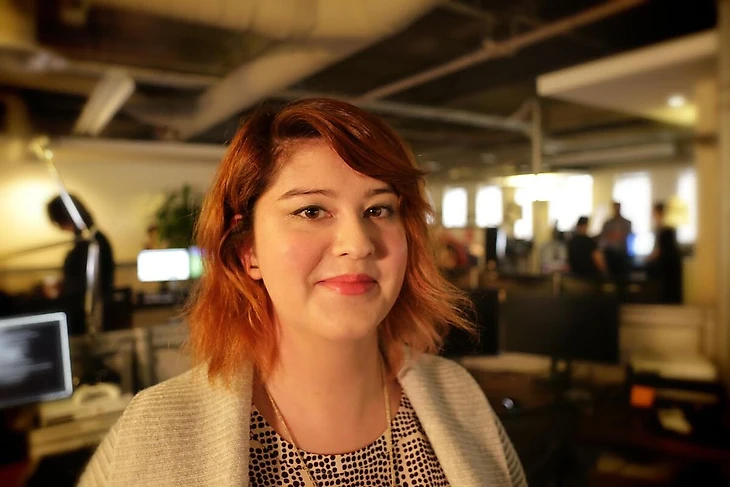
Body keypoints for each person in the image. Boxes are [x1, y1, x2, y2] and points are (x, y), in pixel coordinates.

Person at [79, 98, 525, 487]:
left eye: (378, 209)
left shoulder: (459, 398)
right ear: (248, 250)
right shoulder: (156, 429)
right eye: (311, 211)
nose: (358, 243)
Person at [46, 194, 115, 335]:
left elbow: (85, 285)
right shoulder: (89, 240)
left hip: (86, 315)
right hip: (83, 310)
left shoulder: (92, 242)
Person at [646, 202, 683, 304]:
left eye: (654, 212)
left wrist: (650, 258)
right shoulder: (660, 227)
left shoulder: (665, 227)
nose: (653, 215)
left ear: (659, 212)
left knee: (670, 286)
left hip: (669, 261)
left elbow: (660, 248)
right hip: (667, 260)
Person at [599, 201, 632, 280]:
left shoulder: (626, 223)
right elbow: (604, 237)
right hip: (611, 253)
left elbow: (626, 236)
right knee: (611, 276)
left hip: (622, 253)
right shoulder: (607, 223)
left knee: (623, 276)